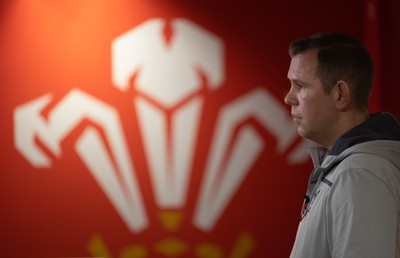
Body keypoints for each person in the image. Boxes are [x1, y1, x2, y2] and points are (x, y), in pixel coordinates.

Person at [284, 32, 400, 257]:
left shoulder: (360, 173)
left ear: (340, 94)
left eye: (300, 85)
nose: (289, 97)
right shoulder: (351, 168)